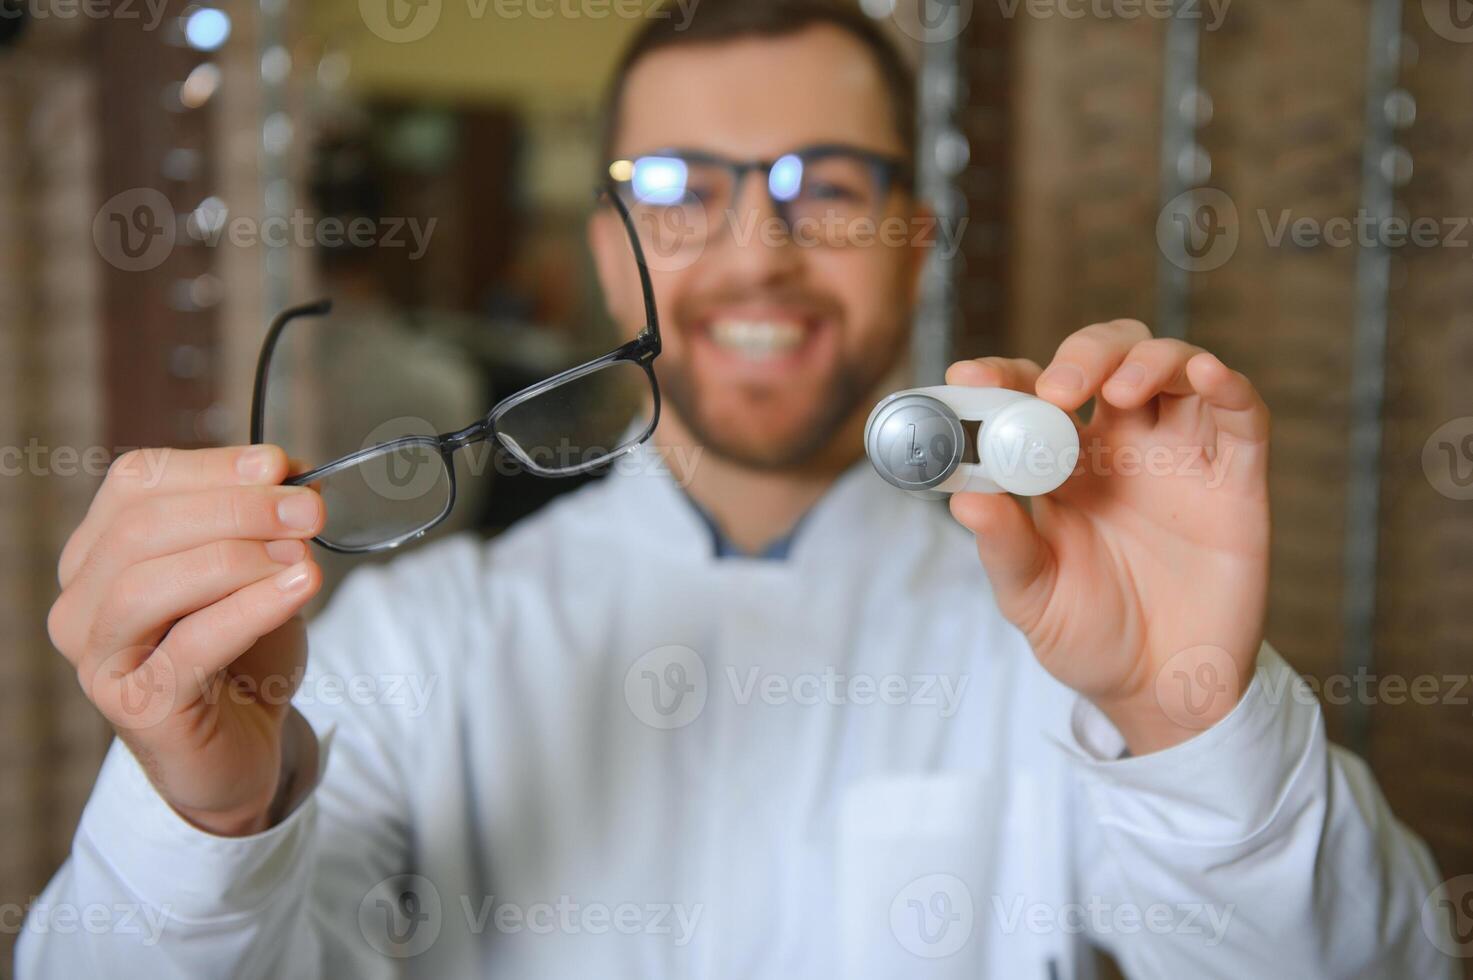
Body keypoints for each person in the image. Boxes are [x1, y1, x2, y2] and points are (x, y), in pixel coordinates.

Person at [19, 1, 1454, 976]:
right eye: (678, 186)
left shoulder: (1080, 652)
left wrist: (1189, 716)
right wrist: (202, 822)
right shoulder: (410, 652)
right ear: (602, 249)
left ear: (911, 232)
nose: (757, 254)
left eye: (821, 183)